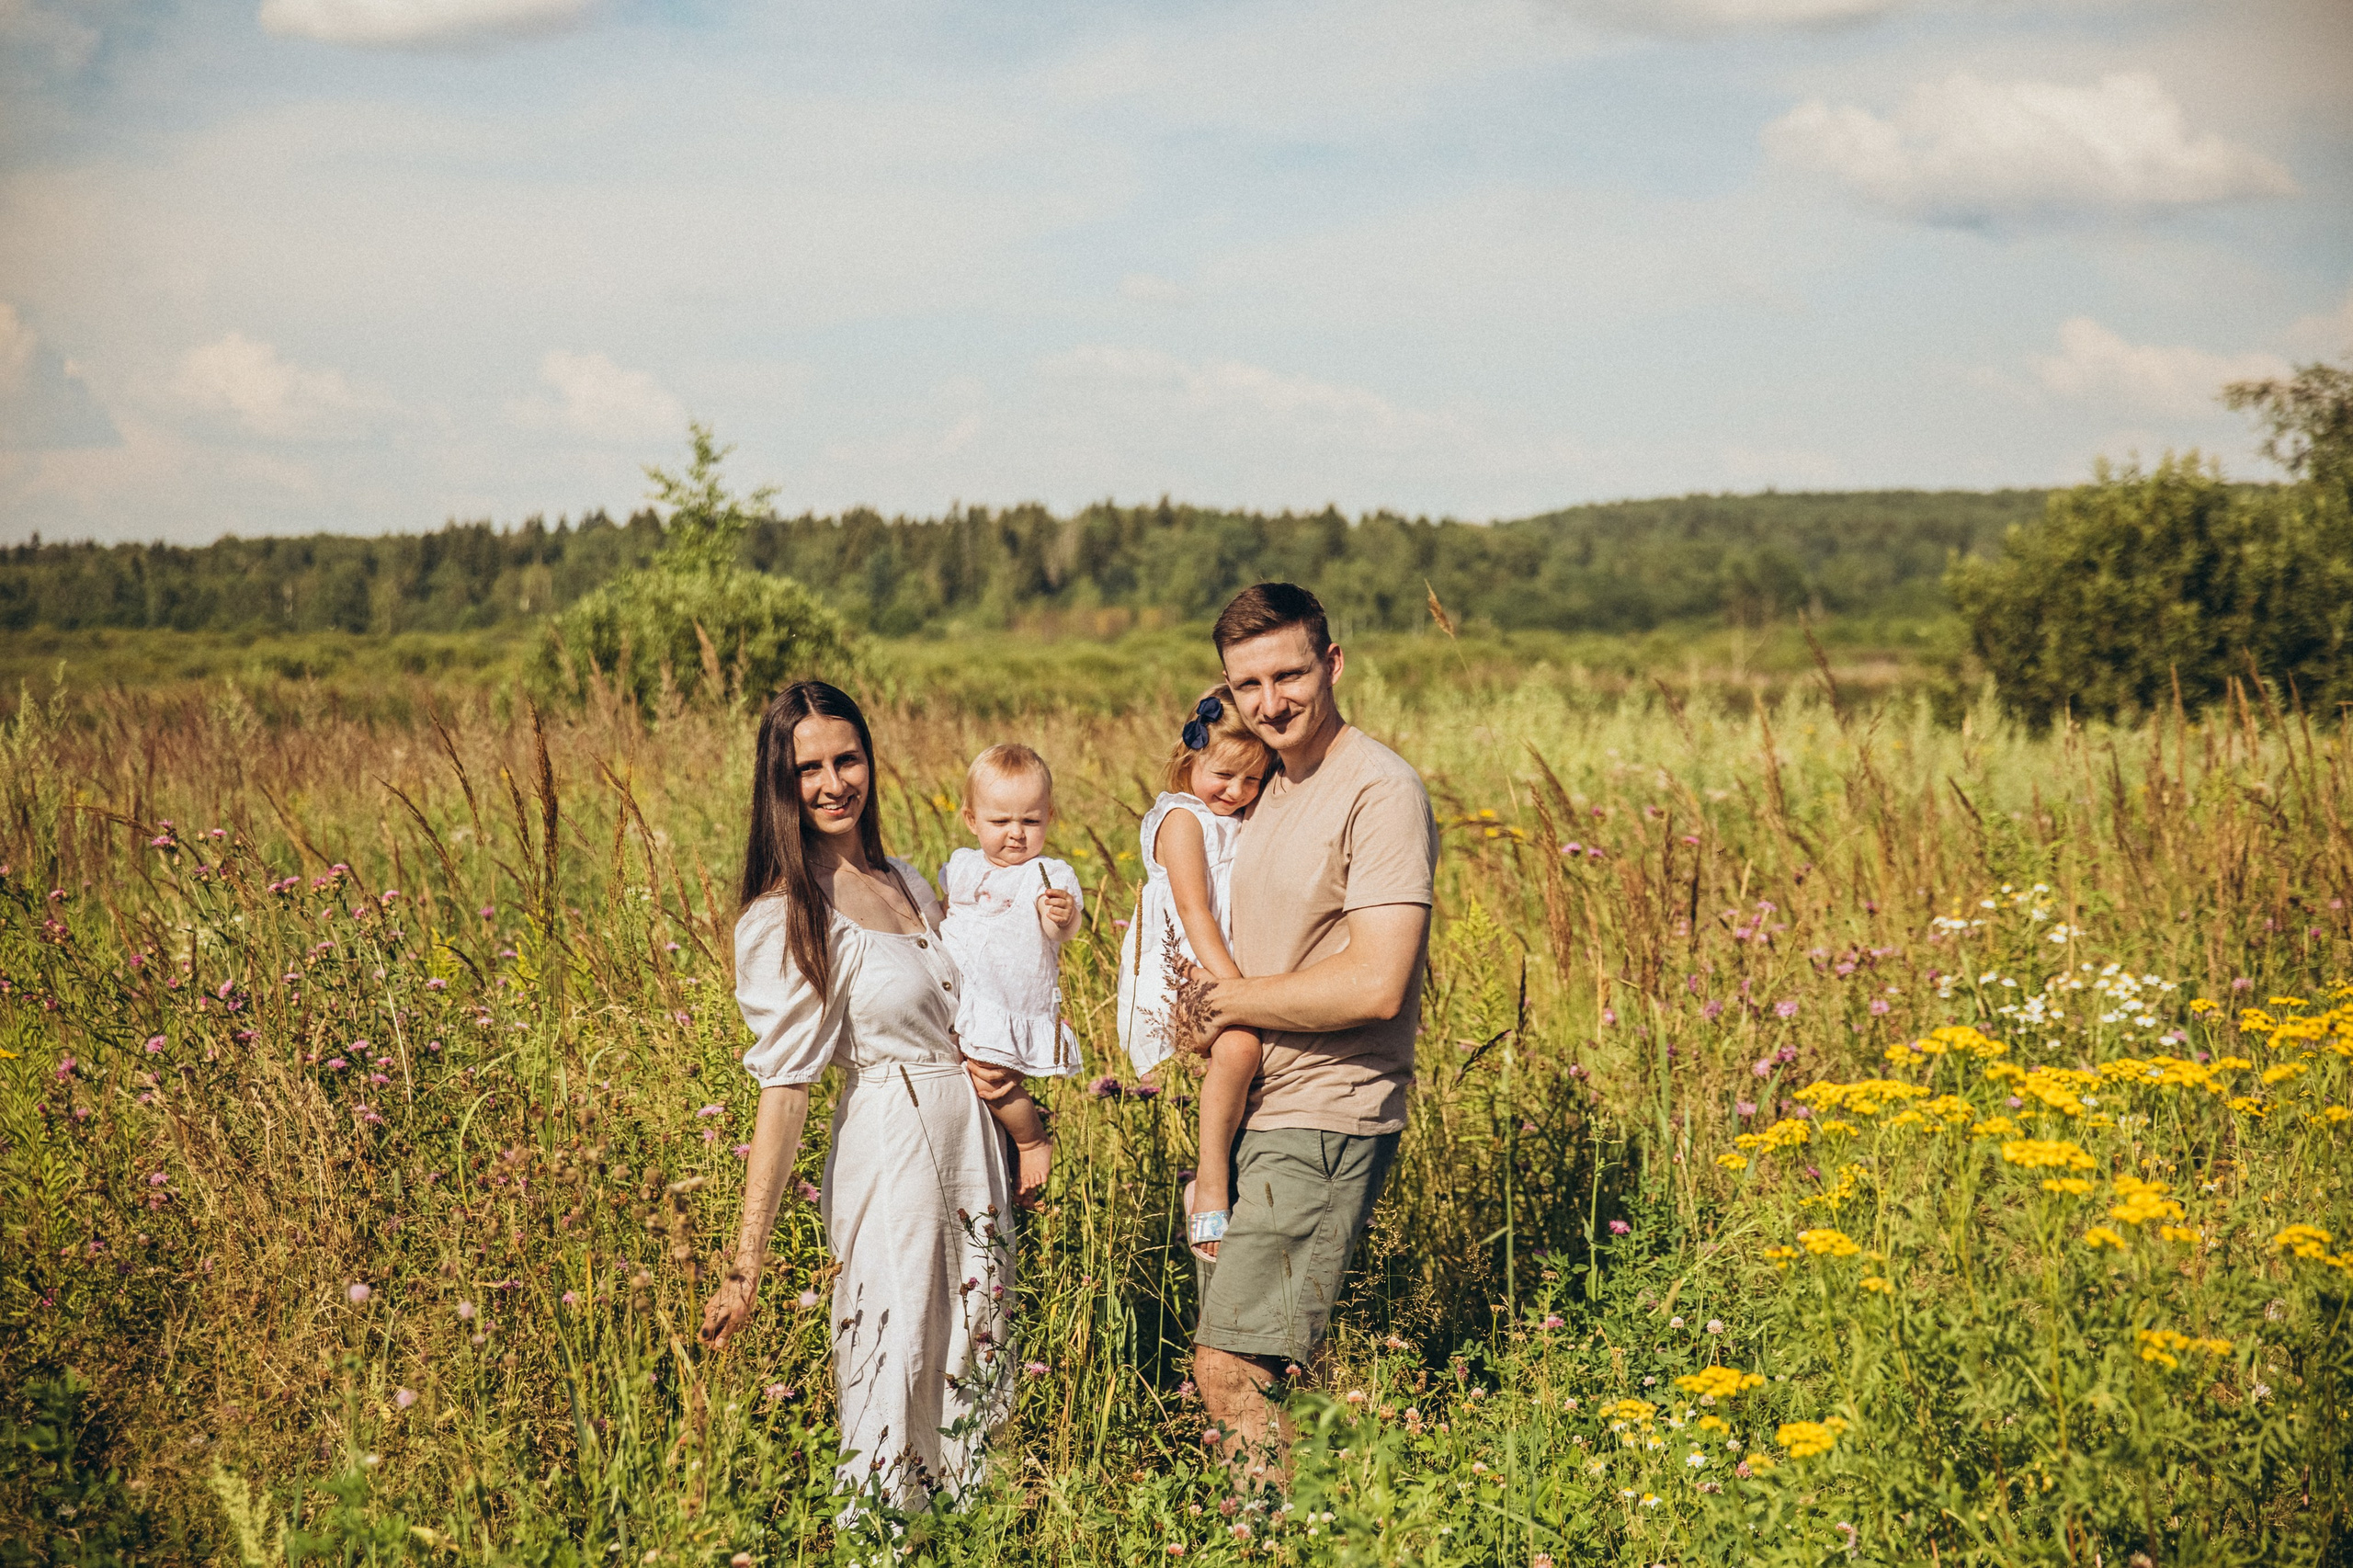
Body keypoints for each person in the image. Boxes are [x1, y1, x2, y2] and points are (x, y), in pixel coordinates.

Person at [699, 680, 1012, 1514]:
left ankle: (964, 1537)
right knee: (896, 1359)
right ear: (780, 786)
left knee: (976, 1361)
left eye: (848, 758)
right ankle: (878, 1539)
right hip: (893, 1144)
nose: (835, 782)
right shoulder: (787, 916)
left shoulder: (906, 877)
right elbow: (786, 1086)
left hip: (972, 1144)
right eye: (810, 768)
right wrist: (746, 1261)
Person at [1183, 583, 1439, 1481]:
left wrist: (1230, 1003)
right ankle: (1355, 1509)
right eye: (1247, 684)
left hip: (1326, 1114)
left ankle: (1280, 1538)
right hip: (1259, 1110)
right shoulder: (1267, 786)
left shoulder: (1378, 789)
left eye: (1289, 673)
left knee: (1232, 1367)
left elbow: (1376, 982)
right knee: (1268, 1367)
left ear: (1332, 663)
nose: (1271, 700)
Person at [1114, 685, 1274, 1260]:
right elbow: (1193, 911)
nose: (1236, 792)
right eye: (1225, 775)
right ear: (1191, 756)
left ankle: (1231, 1174)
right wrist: (1239, 990)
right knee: (1240, 1048)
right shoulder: (1183, 819)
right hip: (1182, 972)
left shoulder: (1236, 816)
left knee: (1247, 1053)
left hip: (1218, 968)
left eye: (1252, 780)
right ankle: (1209, 1183)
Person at [938, 743, 1083, 1205]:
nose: (1016, 834)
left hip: (1007, 1000)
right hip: (963, 997)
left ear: (1049, 817)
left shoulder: (1046, 873)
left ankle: (1031, 1140)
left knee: (991, 1077)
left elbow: (1061, 928)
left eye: (1031, 821)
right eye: (1000, 822)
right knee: (971, 1086)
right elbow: (946, 912)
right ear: (971, 820)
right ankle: (997, 1160)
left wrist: (1060, 916)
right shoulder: (961, 866)